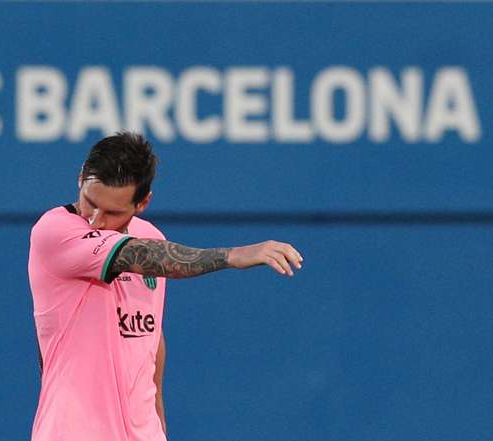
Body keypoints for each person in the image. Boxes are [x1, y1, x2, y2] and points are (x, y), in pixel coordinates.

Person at [28, 132, 303, 441]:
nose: (95, 220)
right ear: (81, 177)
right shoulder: (55, 231)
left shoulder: (151, 236)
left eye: (112, 212)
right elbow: (146, 256)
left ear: (143, 202)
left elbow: (149, 341)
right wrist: (233, 256)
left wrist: (157, 426)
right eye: (90, 203)